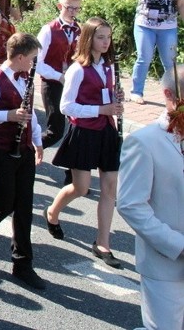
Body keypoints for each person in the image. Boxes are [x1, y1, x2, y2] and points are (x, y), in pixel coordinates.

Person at [46, 17, 124, 268]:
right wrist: (101, 109)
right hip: (85, 131)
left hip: (106, 131)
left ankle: (102, 243)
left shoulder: (109, 66)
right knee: (80, 188)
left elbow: (106, 98)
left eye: (108, 37)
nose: (106, 42)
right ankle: (52, 212)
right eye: (101, 37)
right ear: (89, 38)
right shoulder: (77, 69)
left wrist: (115, 99)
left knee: (109, 188)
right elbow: (66, 107)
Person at [0, 33, 47, 290]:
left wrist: (37, 140)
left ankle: (22, 264)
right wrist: (9, 115)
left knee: (24, 206)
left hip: (22, 149)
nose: (34, 63)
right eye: (32, 58)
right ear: (21, 57)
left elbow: (31, 114)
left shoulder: (26, 78)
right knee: (1, 204)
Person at [117, 69, 184, 330]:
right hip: (166, 266)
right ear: (168, 95)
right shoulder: (144, 142)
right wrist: (179, 245)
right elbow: (131, 205)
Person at [124, 0, 184, 104]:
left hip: (168, 26)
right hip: (145, 25)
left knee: (169, 62)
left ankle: (175, 95)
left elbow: (181, 5)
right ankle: (136, 92)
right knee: (144, 58)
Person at [36, 0, 82, 149]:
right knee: (55, 131)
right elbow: (37, 63)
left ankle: (72, 171)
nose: (72, 12)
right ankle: (27, 151)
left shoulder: (80, 30)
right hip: (52, 84)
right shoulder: (48, 30)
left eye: (76, 8)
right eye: (68, 7)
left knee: (77, 127)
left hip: (72, 83)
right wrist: (59, 76)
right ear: (59, 6)